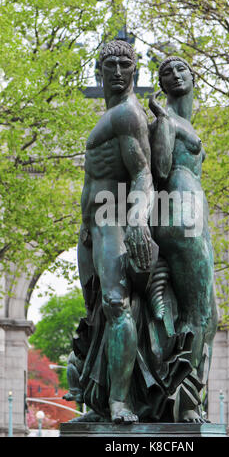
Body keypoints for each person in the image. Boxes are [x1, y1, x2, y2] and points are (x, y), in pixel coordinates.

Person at [76, 40, 153, 424]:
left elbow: (142, 173)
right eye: (112, 65)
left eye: (127, 64)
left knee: (115, 303)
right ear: (99, 71)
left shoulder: (128, 115)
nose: (120, 72)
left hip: (112, 220)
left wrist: (137, 218)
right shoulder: (108, 116)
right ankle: (101, 402)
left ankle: (121, 401)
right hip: (91, 227)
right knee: (95, 317)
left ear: (135, 71)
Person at [149, 56, 218, 422]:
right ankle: (186, 401)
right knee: (198, 313)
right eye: (166, 73)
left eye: (180, 69)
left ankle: (183, 395)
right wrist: (162, 124)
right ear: (160, 84)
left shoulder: (186, 120)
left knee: (212, 318)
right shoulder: (168, 119)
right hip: (180, 213)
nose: (174, 75)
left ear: (193, 76)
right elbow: (159, 170)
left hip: (195, 216)